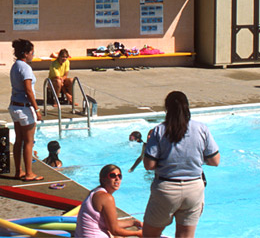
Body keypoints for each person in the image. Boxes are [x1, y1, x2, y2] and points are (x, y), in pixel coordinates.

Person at [141, 91, 220, 238]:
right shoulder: (201, 129)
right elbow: (215, 161)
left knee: (150, 235)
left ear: (167, 109)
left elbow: (149, 165)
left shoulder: (159, 130)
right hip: (194, 188)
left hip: (166, 189)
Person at [8, 38, 43, 181]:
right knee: (29, 141)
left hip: (14, 106)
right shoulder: (25, 68)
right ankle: (29, 173)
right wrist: (37, 109)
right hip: (24, 108)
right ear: (26, 53)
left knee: (18, 140)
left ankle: (19, 171)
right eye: (32, 53)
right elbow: (28, 90)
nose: (33, 55)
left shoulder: (15, 66)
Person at [76, 164, 143, 237]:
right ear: (103, 179)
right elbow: (114, 230)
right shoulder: (106, 198)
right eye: (113, 176)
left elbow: (111, 224)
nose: (117, 179)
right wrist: (137, 233)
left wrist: (133, 223)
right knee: (118, 236)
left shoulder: (95, 192)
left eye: (119, 176)